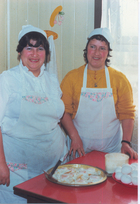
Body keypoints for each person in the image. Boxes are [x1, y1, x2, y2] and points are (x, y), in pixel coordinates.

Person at [0, 25, 68, 203]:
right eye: (28, 48)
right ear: (20, 52)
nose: (34, 54)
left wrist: (73, 136)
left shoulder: (51, 80)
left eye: (40, 48)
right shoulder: (7, 79)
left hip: (53, 167)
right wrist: (1, 165)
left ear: (46, 52)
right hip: (17, 170)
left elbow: (58, 116)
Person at [60, 27, 138, 161]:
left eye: (102, 48)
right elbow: (63, 111)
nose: (97, 52)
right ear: (86, 49)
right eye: (93, 46)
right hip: (79, 147)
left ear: (108, 52)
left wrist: (126, 142)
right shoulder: (72, 77)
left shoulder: (119, 79)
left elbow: (127, 113)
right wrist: (74, 137)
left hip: (111, 149)